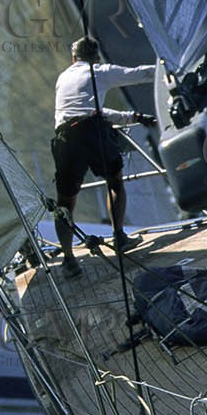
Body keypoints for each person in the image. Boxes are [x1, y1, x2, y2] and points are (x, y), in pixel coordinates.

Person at [51, 36, 156, 276]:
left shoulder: (63, 77)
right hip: (92, 132)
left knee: (64, 204)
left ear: (73, 58)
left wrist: (132, 116)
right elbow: (139, 74)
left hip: (65, 138)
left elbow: (87, 110)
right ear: (96, 58)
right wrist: (167, 70)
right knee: (115, 181)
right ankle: (119, 236)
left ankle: (69, 260)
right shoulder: (100, 70)